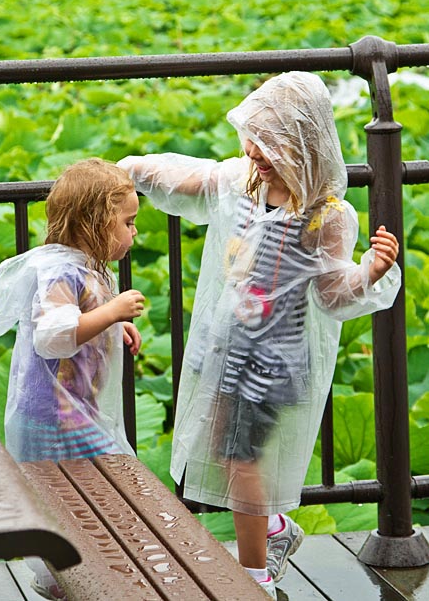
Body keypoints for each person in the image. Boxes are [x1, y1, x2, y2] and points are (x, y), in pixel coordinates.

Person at [117, 72, 401, 599]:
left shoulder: (326, 217)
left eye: (270, 144)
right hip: (225, 348)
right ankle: (272, 530)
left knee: (243, 461)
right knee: (231, 453)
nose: (254, 152)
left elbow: (333, 295)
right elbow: (186, 177)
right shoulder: (241, 183)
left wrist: (370, 273)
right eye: (253, 139)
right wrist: (127, 170)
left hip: (273, 359)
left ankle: (254, 579)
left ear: (306, 145)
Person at [0, 157, 145, 601]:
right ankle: (72, 579)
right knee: (115, 491)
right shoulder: (63, 270)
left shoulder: (84, 263)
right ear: (96, 223)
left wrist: (113, 326)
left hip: (71, 413)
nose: (134, 233)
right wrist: (112, 312)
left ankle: (63, 579)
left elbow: (80, 320)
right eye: (128, 222)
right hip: (52, 418)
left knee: (85, 498)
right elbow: (53, 336)